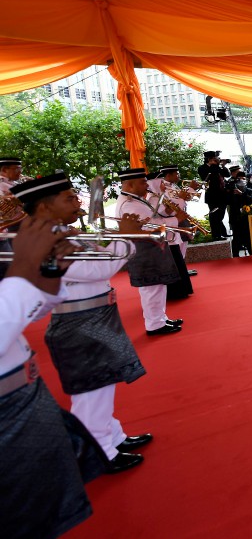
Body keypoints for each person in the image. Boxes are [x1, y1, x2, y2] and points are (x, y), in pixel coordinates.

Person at [12, 174, 151, 474]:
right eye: (69, 198)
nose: (78, 202)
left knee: (104, 383)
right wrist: (126, 236)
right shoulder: (46, 241)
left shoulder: (62, 232)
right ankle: (99, 452)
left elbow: (100, 259)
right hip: (78, 322)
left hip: (95, 316)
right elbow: (99, 270)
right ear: (46, 208)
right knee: (90, 392)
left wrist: (118, 239)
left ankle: (113, 437)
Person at [0, 216, 109, 538]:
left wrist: (48, 269)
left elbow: (31, 309)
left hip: (23, 398)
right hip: (8, 414)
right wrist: (21, 270)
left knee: (38, 511)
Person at [115, 168, 183, 335]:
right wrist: (177, 219)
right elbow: (152, 226)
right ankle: (154, 325)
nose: (146, 185)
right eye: (142, 182)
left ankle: (160, 319)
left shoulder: (135, 200)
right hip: (145, 249)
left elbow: (154, 219)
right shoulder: (130, 204)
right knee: (152, 288)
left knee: (157, 286)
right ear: (130, 185)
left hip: (150, 247)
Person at [152, 166, 195, 295]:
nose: (179, 176)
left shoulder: (171, 187)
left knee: (179, 255)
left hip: (174, 224)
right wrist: (179, 200)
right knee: (176, 258)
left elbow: (169, 207)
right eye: (177, 173)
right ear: (169, 175)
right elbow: (167, 210)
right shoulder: (155, 195)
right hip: (170, 227)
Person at [198, 151, 229, 240]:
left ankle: (222, 233)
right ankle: (216, 235)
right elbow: (207, 177)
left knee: (221, 215)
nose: (216, 160)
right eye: (214, 158)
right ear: (209, 159)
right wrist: (214, 165)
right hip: (212, 196)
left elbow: (227, 174)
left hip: (222, 195)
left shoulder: (218, 167)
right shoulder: (202, 168)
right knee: (215, 216)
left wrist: (223, 165)